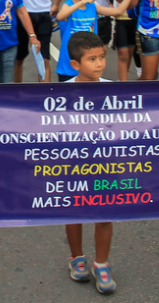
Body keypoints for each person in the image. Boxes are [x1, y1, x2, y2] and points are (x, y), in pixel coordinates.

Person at [61, 31, 116, 294]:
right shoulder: (63, 93)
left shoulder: (113, 89)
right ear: (75, 64)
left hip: (106, 164)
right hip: (73, 165)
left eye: (102, 57)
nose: (99, 64)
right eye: (92, 59)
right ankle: (77, 258)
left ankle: (101, 263)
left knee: (104, 214)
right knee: (74, 212)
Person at [53, 0, 136, 82]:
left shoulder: (92, 7)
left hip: (89, 70)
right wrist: (82, 2)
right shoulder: (68, 6)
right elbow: (60, 16)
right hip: (69, 69)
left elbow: (118, 11)